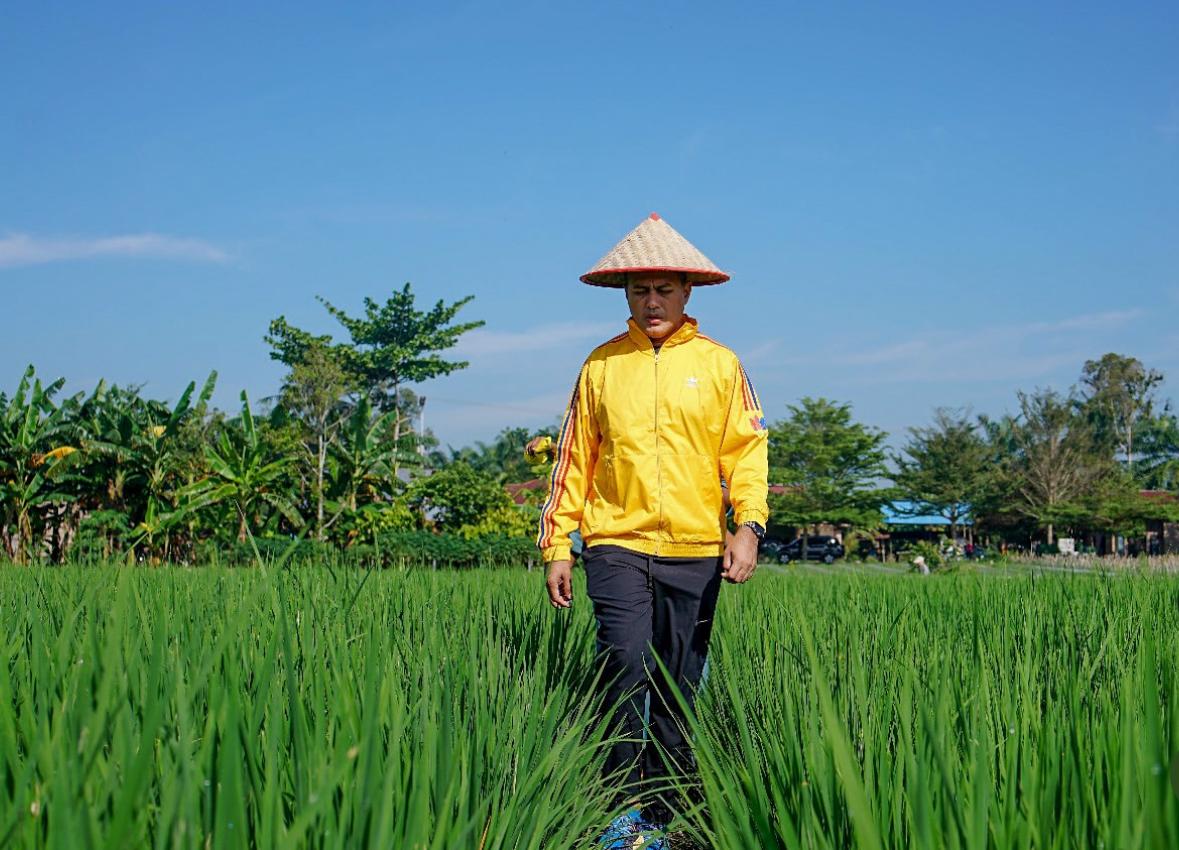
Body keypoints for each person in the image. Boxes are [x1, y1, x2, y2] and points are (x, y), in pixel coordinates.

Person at [537, 213, 769, 847]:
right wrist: (559, 544)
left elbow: (745, 452)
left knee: (678, 680)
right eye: (641, 291)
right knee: (625, 662)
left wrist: (746, 526)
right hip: (615, 540)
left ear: (687, 292)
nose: (653, 302)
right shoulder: (602, 366)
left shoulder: (722, 366)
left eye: (664, 289)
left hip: (695, 547)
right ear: (626, 296)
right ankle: (617, 809)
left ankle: (670, 812)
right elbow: (574, 459)